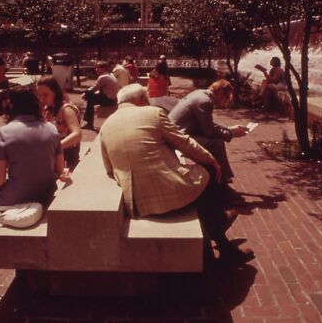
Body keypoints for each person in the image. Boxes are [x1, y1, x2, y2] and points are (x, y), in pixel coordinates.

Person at [99, 84, 254, 264]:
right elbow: (185, 143)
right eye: (146, 99)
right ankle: (220, 228)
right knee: (209, 172)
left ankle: (219, 230)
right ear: (141, 100)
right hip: (168, 195)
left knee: (199, 193)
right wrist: (212, 161)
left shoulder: (106, 126)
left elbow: (109, 169)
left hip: (137, 204)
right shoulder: (151, 113)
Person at [0, 90, 68, 215]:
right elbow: (60, 169)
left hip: (16, 198)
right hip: (46, 194)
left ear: (10, 107)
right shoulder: (51, 128)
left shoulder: (4, 132)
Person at [168, 79, 249, 204]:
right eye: (227, 97)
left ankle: (218, 179)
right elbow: (209, 132)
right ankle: (222, 185)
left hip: (177, 133)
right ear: (220, 92)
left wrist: (228, 129)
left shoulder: (200, 94)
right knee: (216, 144)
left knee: (215, 143)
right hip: (178, 137)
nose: (226, 101)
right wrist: (231, 134)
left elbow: (207, 124)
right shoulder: (205, 101)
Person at [36, 76, 82, 170]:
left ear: (55, 93)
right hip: (54, 155)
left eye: (45, 95)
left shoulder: (66, 109)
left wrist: (55, 148)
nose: (41, 99)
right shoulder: (48, 109)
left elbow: (77, 134)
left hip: (67, 155)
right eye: (39, 95)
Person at [81, 60, 119, 130]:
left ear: (104, 68)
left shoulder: (103, 77)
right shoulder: (110, 75)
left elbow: (94, 88)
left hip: (109, 100)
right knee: (90, 96)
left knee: (89, 96)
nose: (96, 70)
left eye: (98, 68)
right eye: (96, 68)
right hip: (114, 99)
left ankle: (89, 124)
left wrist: (84, 94)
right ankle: (89, 123)